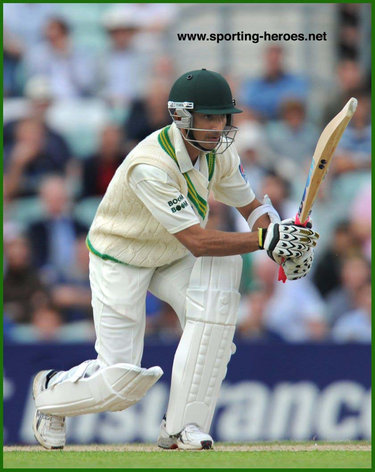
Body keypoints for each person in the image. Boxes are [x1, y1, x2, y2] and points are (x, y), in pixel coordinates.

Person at [32, 69, 319, 451]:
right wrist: (268, 239)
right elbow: (199, 241)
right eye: (209, 117)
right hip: (122, 256)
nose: (218, 126)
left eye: (222, 117)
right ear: (182, 117)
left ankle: (182, 426)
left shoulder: (220, 153)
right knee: (119, 385)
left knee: (217, 317)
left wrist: (280, 241)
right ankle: (51, 393)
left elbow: (251, 208)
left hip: (170, 254)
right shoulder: (150, 166)